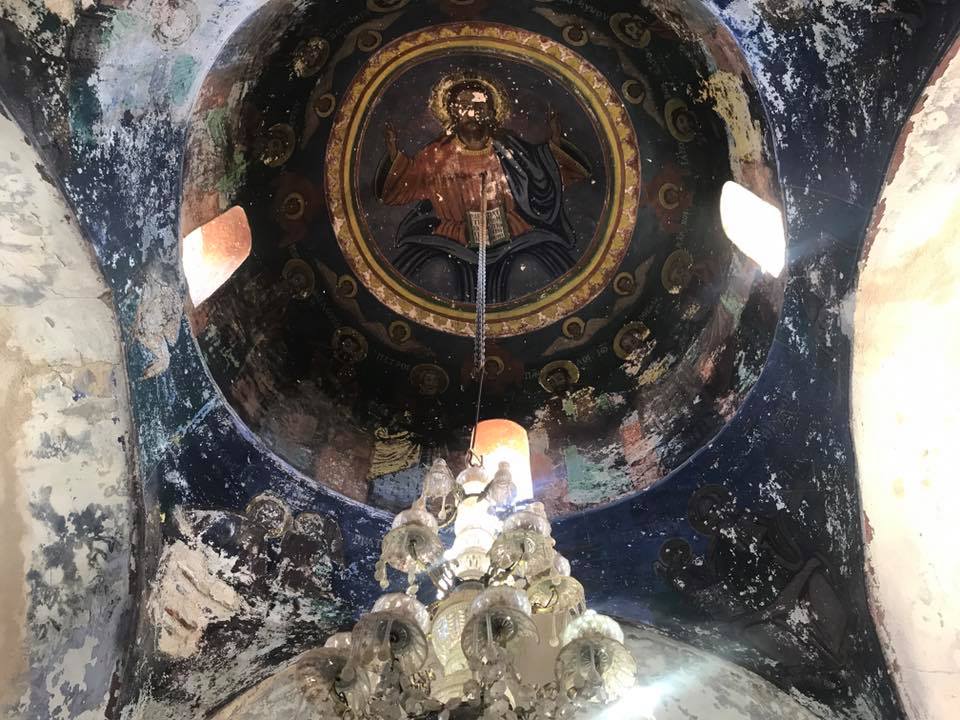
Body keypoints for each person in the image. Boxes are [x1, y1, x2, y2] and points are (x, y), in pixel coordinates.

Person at [376, 71, 590, 302]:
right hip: (453, 240)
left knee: (539, 268)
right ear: (452, 112)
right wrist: (393, 155)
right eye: (464, 106)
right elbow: (399, 189)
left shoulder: (509, 148)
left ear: (492, 111)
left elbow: (544, 172)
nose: (472, 112)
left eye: (479, 106)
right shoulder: (435, 155)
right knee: (432, 272)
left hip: (513, 236)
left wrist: (555, 142)